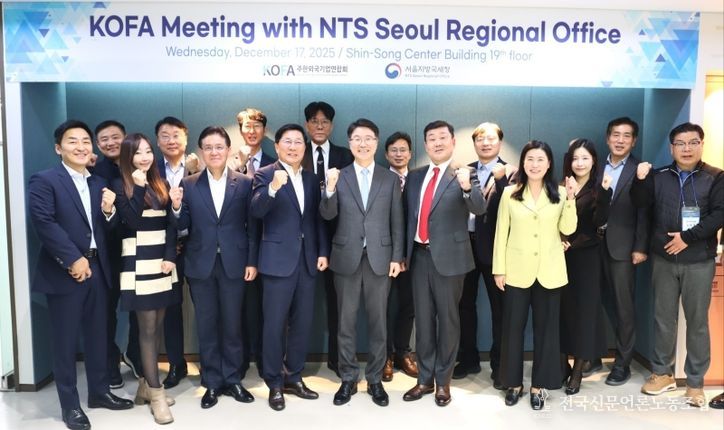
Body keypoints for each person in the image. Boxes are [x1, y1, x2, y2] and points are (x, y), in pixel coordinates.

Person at [28, 120, 133, 430]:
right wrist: (72, 259)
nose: (81, 146)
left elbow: (107, 229)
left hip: (99, 269)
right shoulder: (45, 180)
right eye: (72, 141)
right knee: (65, 341)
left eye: (85, 141)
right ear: (58, 148)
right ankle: (70, 405)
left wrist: (110, 212)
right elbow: (44, 222)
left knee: (99, 336)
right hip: (66, 272)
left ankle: (99, 393)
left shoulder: (98, 183)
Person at [632, 122, 723, 408]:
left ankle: (695, 384)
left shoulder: (716, 177)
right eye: (680, 143)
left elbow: (719, 214)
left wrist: (687, 238)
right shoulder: (658, 175)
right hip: (664, 259)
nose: (687, 148)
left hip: (699, 260)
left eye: (693, 142)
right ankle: (662, 374)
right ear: (672, 148)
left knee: (697, 323)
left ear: (701, 145)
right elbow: (641, 206)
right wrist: (640, 180)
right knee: (663, 319)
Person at [320, 119, 404, 407]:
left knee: (379, 323)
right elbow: (327, 214)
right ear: (350, 143)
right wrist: (330, 190)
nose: (363, 143)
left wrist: (397, 257)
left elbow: (397, 221)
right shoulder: (338, 175)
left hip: (380, 259)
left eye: (368, 138)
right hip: (346, 258)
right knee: (345, 322)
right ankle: (348, 377)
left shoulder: (389, 179)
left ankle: (376, 379)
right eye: (357, 138)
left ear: (376, 143)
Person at [172, 126, 258, 409]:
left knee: (233, 325)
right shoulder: (189, 183)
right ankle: (211, 381)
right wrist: (176, 208)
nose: (214, 152)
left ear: (228, 150)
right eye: (208, 147)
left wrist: (251, 261)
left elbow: (251, 227)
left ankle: (232, 379)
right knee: (206, 325)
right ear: (200, 152)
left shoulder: (244, 183)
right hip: (201, 264)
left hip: (235, 263)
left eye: (219, 146)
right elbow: (182, 226)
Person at [402, 120, 485, 407]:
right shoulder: (415, 176)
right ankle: (424, 379)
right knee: (423, 321)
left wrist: (466, 187)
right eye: (431, 138)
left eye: (442, 137)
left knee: (448, 321)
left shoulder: (465, 173)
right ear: (425, 145)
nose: (437, 143)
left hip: (450, 259)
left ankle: (443, 382)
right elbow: (407, 218)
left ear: (452, 142)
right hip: (419, 256)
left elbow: (479, 207)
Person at [493, 140, 577, 410]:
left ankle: (540, 385)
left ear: (549, 164)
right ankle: (513, 383)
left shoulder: (561, 193)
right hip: (516, 270)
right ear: (523, 163)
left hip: (550, 271)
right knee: (512, 329)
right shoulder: (510, 193)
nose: (535, 164)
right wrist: (499, 269)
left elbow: (568, 229)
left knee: (547, 331)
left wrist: (572, 200)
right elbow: (501, 233)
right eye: (530, 159)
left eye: (540, 159)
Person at [251, 123, 329, 411]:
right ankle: (274, 382)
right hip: (276, 262)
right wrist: (272, 188)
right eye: (288, 141)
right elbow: (256, 210)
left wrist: (322, 251)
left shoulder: (310, 178)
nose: (293, 147)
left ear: (304, 148)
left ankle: (294, 376)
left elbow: (317, 219)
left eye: (298, 142)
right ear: (277, 146)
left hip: (307, 260)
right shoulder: (264, 174)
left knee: (302, 322)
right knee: (274, 324)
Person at [113, 133, 178, 424]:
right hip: (137, 261)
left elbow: (171, 225)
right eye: (138, 153)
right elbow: (132, 221)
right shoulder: (120, 185)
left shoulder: (160, 182)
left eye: (148, 151)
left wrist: (170, 256)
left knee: (157, 327)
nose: (144, 157)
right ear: (128, 157)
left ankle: (144, 387)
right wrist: (138, 188)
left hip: (161, 262)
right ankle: (157, 393)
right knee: (147, 330)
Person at [454, 122, 517, 390]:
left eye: (491, 138)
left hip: (495, 249)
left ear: (500, 142)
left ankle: (499, 364)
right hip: (464, 246)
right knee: (463, 306)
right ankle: (468, 358)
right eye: (480, 139)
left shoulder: (513, 172)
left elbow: (512, 206)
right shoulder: (463, 171)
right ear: (474, 143)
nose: (486, 143)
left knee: (500, 309)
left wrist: (501, 180)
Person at [301, 101, 353, 376]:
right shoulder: (297, 152)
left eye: (324, 122)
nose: (319, 126)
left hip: (338, 239)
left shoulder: (346, 156)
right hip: (304, 239)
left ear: (331, 126)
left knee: (339, 304)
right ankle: (294, 362)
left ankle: (338, 359)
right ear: (307, 125)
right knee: (300, 303)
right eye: (314, 121)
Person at [599, 117, 650, 385]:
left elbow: (644, 210)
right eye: (616, 135)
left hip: (623, 247)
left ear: (634, 141)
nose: (620, 140)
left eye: (626, 135)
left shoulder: (640, 170)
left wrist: (640, 247)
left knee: (623, 307)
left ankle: (622, 364)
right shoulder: (595, 166)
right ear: (607, 138)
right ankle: (590, 357)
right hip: (592, 246)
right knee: (591, 302)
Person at [559, 139, 612, 395]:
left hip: (586, 258)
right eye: (575, 158)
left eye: (585, 158)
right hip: (558, 258)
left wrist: (605, 193)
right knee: (560, 312)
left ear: (593, 161)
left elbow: (599, 224)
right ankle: (562, 366)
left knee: (585, 314)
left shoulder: (599, 187)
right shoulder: (559, 186)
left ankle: (578, 370)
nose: (579, 163)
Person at [154, 116, 199, 389]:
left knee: (204, 306)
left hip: (196, 248)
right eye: (165, 135)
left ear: (186, 137)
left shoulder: (200, 166)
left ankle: (212, 363)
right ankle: (176, 364)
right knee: (170, 309)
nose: (171, 141)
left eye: (176, 135)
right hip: (164, 252)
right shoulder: (150, 169)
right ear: (157, 141)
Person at [235, 108, 275, 379]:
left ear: (264, 130)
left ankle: (263, 357)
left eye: (257, 126)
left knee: (265, 306)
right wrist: (239, 166)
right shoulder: (227, 162)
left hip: (268, 241)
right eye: (247, 126)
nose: (251, 131)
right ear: (240, 130)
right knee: (238, 305)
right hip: (239, 243)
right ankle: (239, 359)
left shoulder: (275, 162)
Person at [90, 120, 127, 389]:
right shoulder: (93, 172)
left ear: (125, 137)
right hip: (108, 254)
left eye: (115, 137)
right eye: (104, 139)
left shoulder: (139, 163)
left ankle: (136, 356)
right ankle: (111, 362)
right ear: (97, 144)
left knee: (143, 312)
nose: (111, 142)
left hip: (140, 251)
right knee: (106, 313)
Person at [382, 132, 418, 381]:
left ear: (410, 154)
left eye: (403, 149)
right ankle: (385, 355)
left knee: (409, 304)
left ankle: (403, 352)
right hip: (383, 253)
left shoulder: (418, 180)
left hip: (413, 254)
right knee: (382, 305)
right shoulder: (380, 179)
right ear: (386, 154)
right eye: (393, 150)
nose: (398, 154)